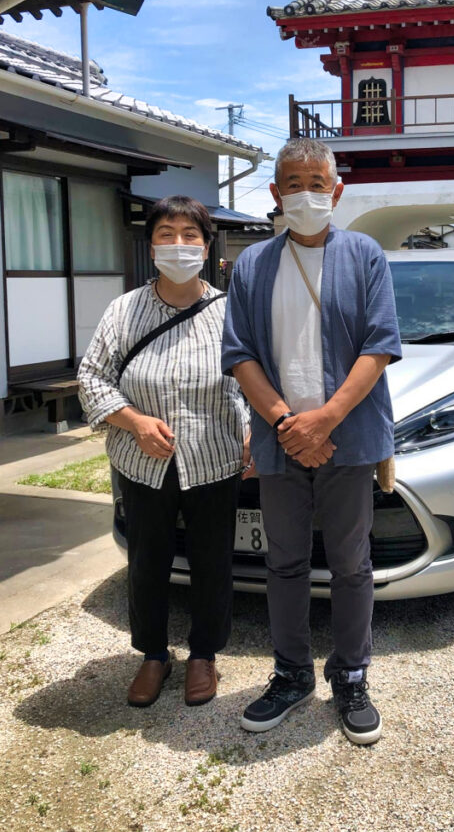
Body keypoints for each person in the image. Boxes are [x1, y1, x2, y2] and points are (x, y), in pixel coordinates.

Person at [221, 139, 402, 746]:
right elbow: (240, 354)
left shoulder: (365, 256)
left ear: (337, 190)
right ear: (275, 194)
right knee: (284, 561)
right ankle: (291, 672)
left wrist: (323, 420)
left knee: (351, 563)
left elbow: (380, 346)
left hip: (346, 440)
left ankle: (351, 674)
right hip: (280, 442)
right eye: (292, 183)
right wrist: (286, 424)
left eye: (316, 182)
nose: (305, 193)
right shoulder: (251, 265)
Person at [78, 196, 248, 708]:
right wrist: (131, 420)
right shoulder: (123, 310)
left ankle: (203, 655)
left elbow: (249, 380)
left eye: (189, 234)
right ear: (150, 244)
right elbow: (90, 377)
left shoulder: (229, 311)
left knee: (212, 560)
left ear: (206, 242)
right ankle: (153, 654)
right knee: (147, 560)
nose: (179, 244)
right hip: (143, 462)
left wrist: (251, 431)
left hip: (215, 458)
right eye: (167, 234)